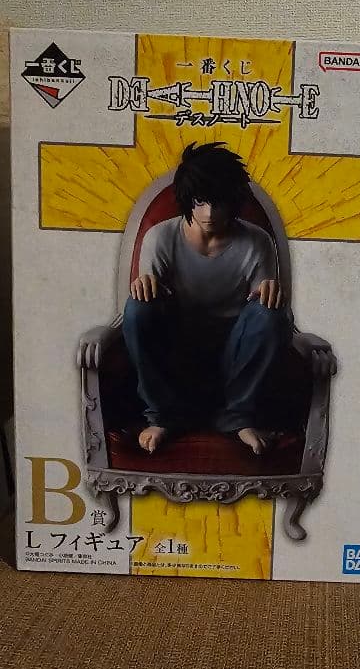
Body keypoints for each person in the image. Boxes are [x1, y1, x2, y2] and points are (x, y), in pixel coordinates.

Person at [122, 142, 293, 456]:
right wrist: (145, 285)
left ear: (233, 201)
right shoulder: (160, 237)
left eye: (219, 203)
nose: (209, 214)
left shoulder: (257, 241)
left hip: (234, 356)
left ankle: (238, 418)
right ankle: (162, 416)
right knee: (138, 307)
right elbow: (147, 308)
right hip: (177, 354)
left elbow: (262, 315)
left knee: (272, 312)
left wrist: (270, 294)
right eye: (200, 202)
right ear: (187, 199)